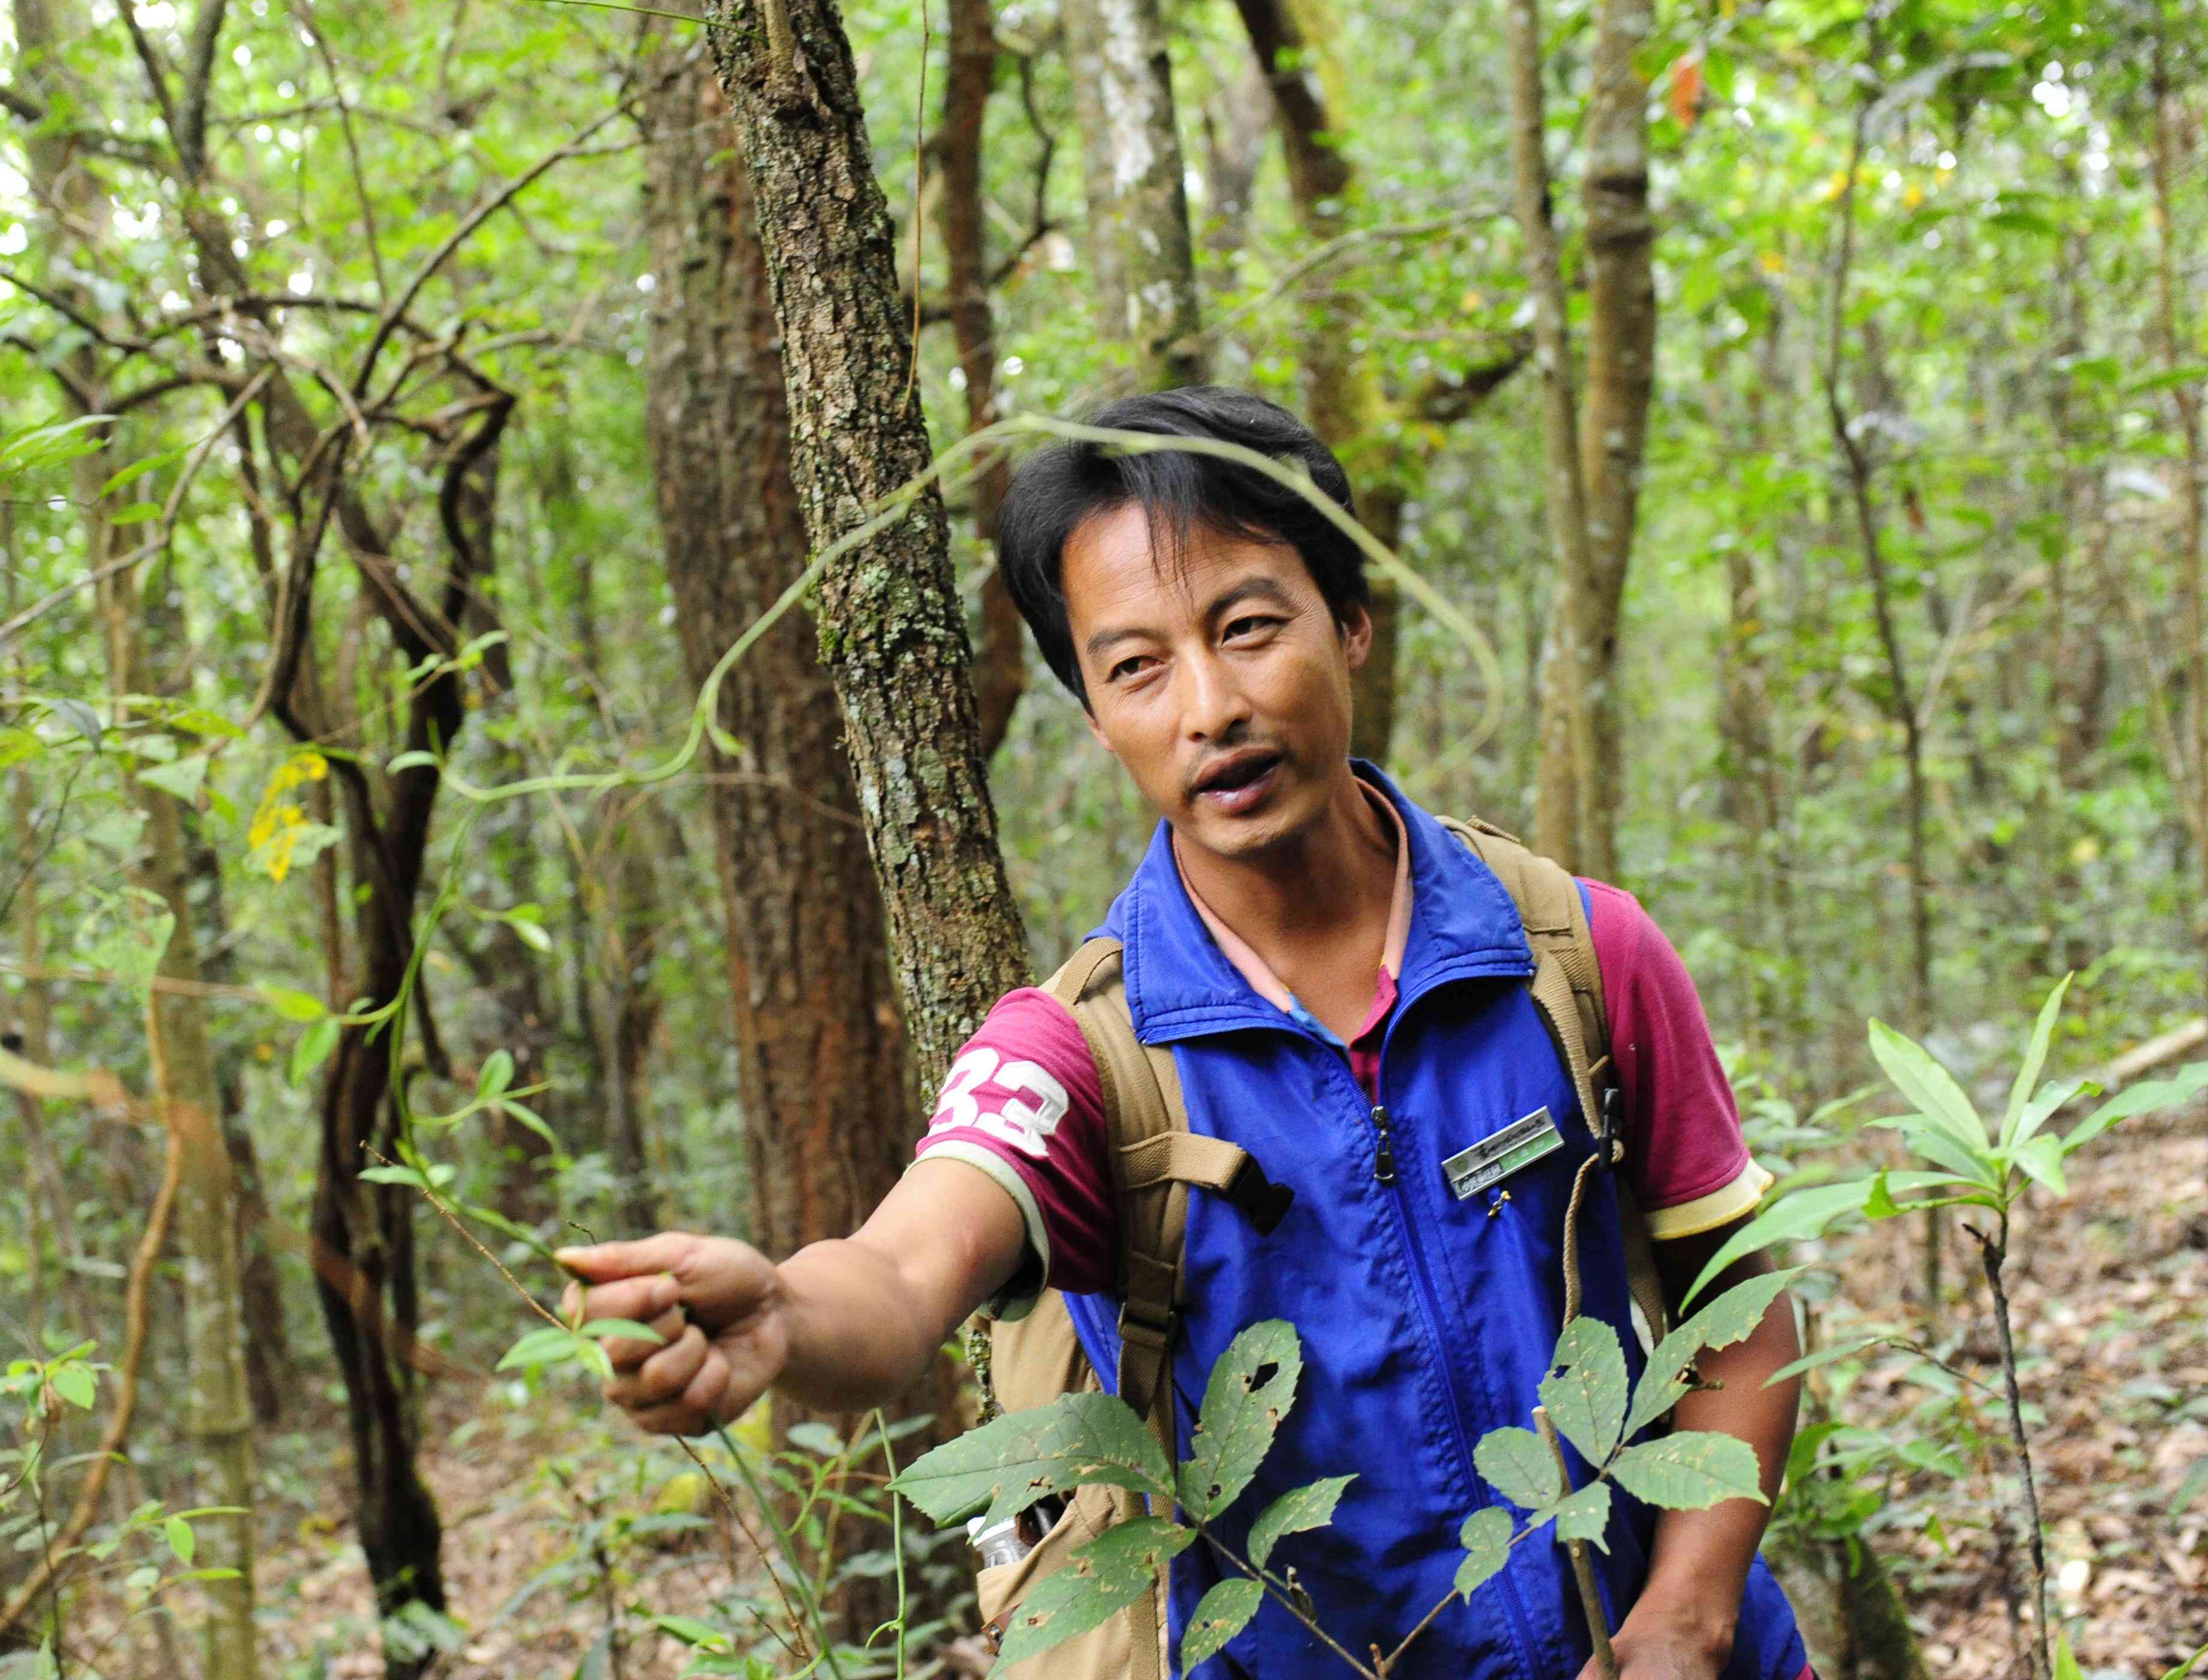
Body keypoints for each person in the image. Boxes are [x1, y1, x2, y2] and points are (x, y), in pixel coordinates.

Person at [558, 387, 1811, 1679]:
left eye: (1249, 627)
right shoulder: (1076, 1057)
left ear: (1352, 622)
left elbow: (1740, 1299)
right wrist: (778, 1313)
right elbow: (897, 1274)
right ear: (1097, 718)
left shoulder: (1574, 953)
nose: (1208, 705)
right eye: (1136, 666)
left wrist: (1688, 1617)